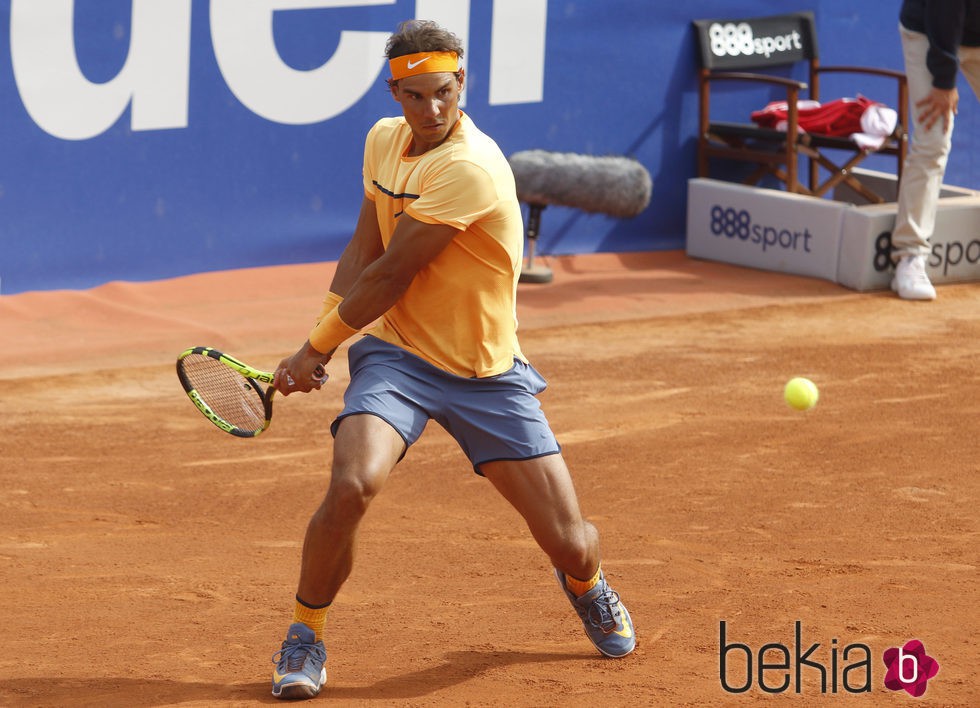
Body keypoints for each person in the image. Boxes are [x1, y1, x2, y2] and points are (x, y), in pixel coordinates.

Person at [267, 19, 636, 700]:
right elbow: (364, 248)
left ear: (461, 81)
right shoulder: (383, 141)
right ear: (394, 94)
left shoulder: (469, 165)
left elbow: (389, 277)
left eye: (442, 93)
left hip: (486, 375)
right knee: (351, 487)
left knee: (570, 543)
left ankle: (587, 584)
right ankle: (305, 632)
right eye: (414, 97)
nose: (430, 110)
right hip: (397, 358)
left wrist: (312, 351)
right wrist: (322, 332)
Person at [891, 0, 980, 300]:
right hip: (930, 31)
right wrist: (944, 81)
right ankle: (910, 255)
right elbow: (946, 9)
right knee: (933, 141)